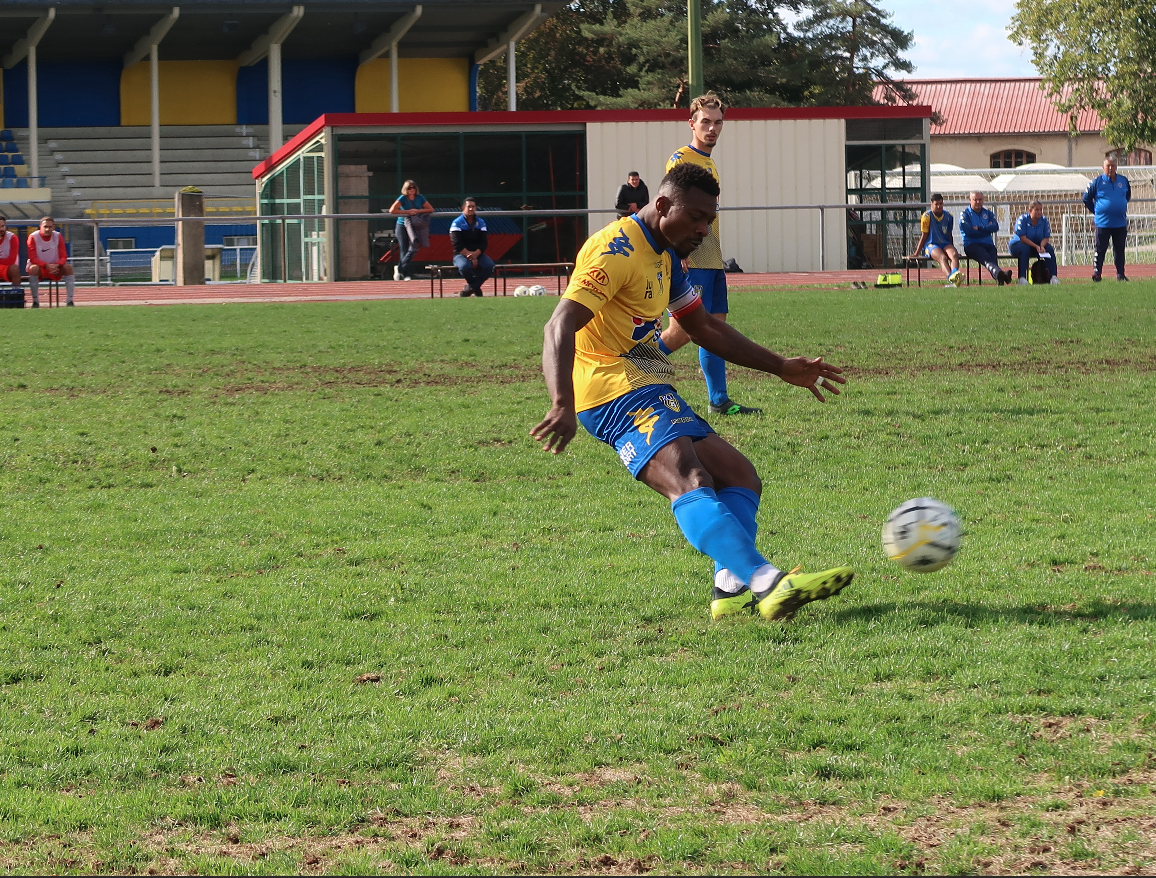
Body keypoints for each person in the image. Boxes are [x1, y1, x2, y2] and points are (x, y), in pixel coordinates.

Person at [530, 163, 853, 623]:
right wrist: (561, 401)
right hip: (607, 389)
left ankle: (731, 588)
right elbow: (558, 324)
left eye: (710, 221)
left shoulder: (665, 256)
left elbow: (701, 327)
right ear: (662, 206)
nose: (704, 230)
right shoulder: (614, 250)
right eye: (697, 218)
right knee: (691, 479)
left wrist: (780, 366)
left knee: (740, 475)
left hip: (645, 381)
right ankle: (768, 582)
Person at [659, 92, 760, 416]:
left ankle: (719, 400)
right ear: (692, 123)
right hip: (693, 258)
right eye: (706, 122)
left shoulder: (709, 162)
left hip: (711, 256)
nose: (712, 128)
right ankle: (628, 373)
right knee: (682, 331)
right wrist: (678, 252)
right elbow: (673, 209)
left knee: (714, 328)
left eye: (718, 123)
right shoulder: (681, 158)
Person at [1082, 156, 1130, 282]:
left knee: (1119, 249)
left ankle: (1121, 274)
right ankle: (1097, 274)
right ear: (1103, 168)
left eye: (1113, 165)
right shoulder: (1096, 182)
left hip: (1120, 222)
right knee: (1100, 249)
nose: (1110, 168)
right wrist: (1097, 211)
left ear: (1116, 167)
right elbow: (1086, 198)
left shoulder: (1123, 181)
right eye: (1108, 166)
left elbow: (1127, 196)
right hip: (1103, 223)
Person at [908, 194, 963, 287]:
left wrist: (953, 247)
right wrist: (916, 253)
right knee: (942, 258)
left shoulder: (949, 216)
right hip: (931, 244)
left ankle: (955, 275)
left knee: (954, 255)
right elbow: (924, 235)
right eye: (936, 204)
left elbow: (949, 234)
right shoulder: (926, 216)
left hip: (945, 243)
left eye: (941, 204)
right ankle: (952, 279)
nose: (939, 206)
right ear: (931, 204)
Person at [959, 191, 1012, 285]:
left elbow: (995, 227)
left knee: (992, 254)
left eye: (980, 199)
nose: (978, 202)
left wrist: (980, 228)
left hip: (988, 244)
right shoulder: (965, 214)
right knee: (986, 257)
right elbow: (969, 232)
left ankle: (1000, 277)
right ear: (970, 200)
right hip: (972, 244)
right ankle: (1002, 275)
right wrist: (987, 230)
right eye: (975, 200)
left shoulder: (988, 213)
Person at [388, 180, 434, 281]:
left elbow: (430, 209)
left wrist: (417, 211)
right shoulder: (403, 198)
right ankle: (405, 272)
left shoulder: (420, 197)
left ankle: (399, 267)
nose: (412, 190)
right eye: (409, 188)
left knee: (414, 246)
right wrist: (407, 212)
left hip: (414, 225)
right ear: (406, 189)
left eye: (413, 187)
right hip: (402, 225)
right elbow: (392, 210)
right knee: (404, 248)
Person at [26, 216, 75, 307]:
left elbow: (64, 256)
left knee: (68, 267)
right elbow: (33, 258)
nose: (48, 229)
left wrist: (57, 265)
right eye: (45, 226)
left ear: (53, 227)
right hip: (40, 267)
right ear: (40, 226)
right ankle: (35, 301)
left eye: (50, 227)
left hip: (55, 267)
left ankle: (70, 301)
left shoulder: (58, 236)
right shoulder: (33, 237)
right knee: (33, 268)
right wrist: (46, 265)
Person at [450, 197, 493, 297]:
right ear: (463, 208)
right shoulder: (456, 223)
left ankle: (471, 288)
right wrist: (469, 255)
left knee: (489, 266)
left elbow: (484, 243)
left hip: (478, 253)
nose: (471, 209)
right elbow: (456, 244)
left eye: (473, 206)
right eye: (469, 206)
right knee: (465, 267)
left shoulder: (481, 222)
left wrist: (476, 254)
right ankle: (476, 288)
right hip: (461, 254)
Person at [1009, 200, 1059, 285]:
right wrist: (1036, 246)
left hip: (1037, 245)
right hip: (1019, 245)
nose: (1039, 212)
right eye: (1037, 210)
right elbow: (1023, 238)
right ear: (1030, 210)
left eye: (1040, 210)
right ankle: (1022, 278)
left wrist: (1042, 246)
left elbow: (1046, 237)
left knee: (1049, 249)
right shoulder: (1022, 219)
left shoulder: (1044, 220)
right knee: (1025, 249)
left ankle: (1053, 277)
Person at [0, 215, 22, 296]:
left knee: (14, 269)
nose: (1, 229)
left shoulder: (12, 238)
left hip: (7, 268)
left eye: (2, 226)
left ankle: (15, 295)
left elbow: (11, 260)